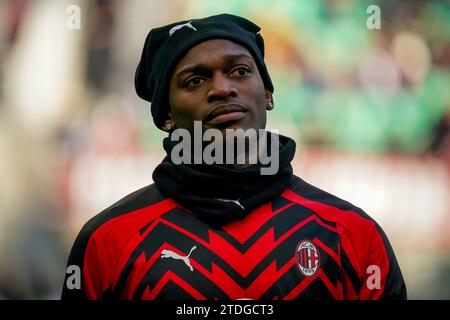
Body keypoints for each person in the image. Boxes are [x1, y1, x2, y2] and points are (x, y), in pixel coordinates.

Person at [61, 13, 406, 300]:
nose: (223, 88)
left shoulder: (351, 233)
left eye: (240, 71)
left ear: (268, 93)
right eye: (194, 80)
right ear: (166, 116)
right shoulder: (107, 241)